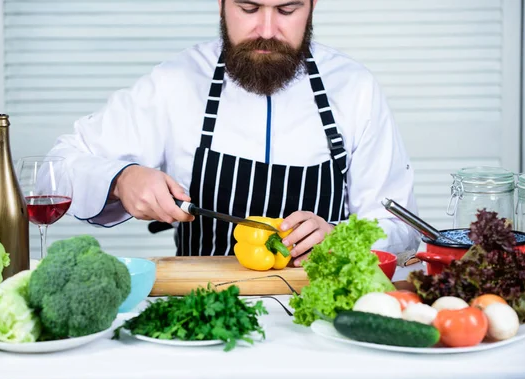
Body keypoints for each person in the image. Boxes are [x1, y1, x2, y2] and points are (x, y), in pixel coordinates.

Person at [48, 0, 421, 266]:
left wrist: (339, 237)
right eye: (248, 8)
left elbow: (401, 228)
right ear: (221, 5)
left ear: (313, 7)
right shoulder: (175, 82)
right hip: (204, 312)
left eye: (287, 10)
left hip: (319, 319)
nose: (267, 30)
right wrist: (120, 179)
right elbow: (60, 165)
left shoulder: (355, 88)